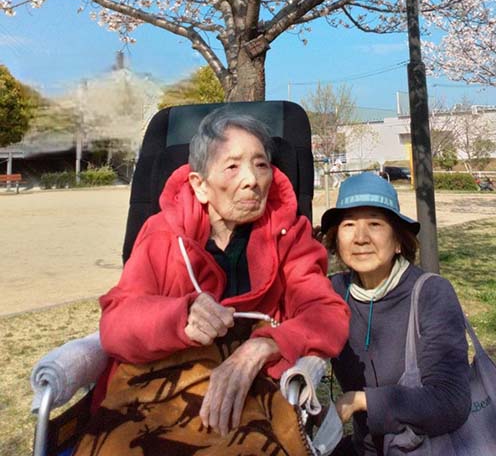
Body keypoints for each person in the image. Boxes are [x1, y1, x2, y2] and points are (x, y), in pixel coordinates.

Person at [90, 107, 350, 442]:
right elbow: (116, 325)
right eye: (232, 166)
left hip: (251, 396)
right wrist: (177, 317)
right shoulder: (162, 235)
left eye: (261, 165)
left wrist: (266, 346)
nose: (252, 180)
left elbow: (327, 314)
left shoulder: (290, 234)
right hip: (163, 393)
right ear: (199, 185)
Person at [321, 172, 471, 456]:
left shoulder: (431, 294)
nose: (360, 238)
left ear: (399, 240)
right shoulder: (332, 292)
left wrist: (361, 401)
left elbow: (451, 401)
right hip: (364, 448)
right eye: (349, 224)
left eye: (375, 224)